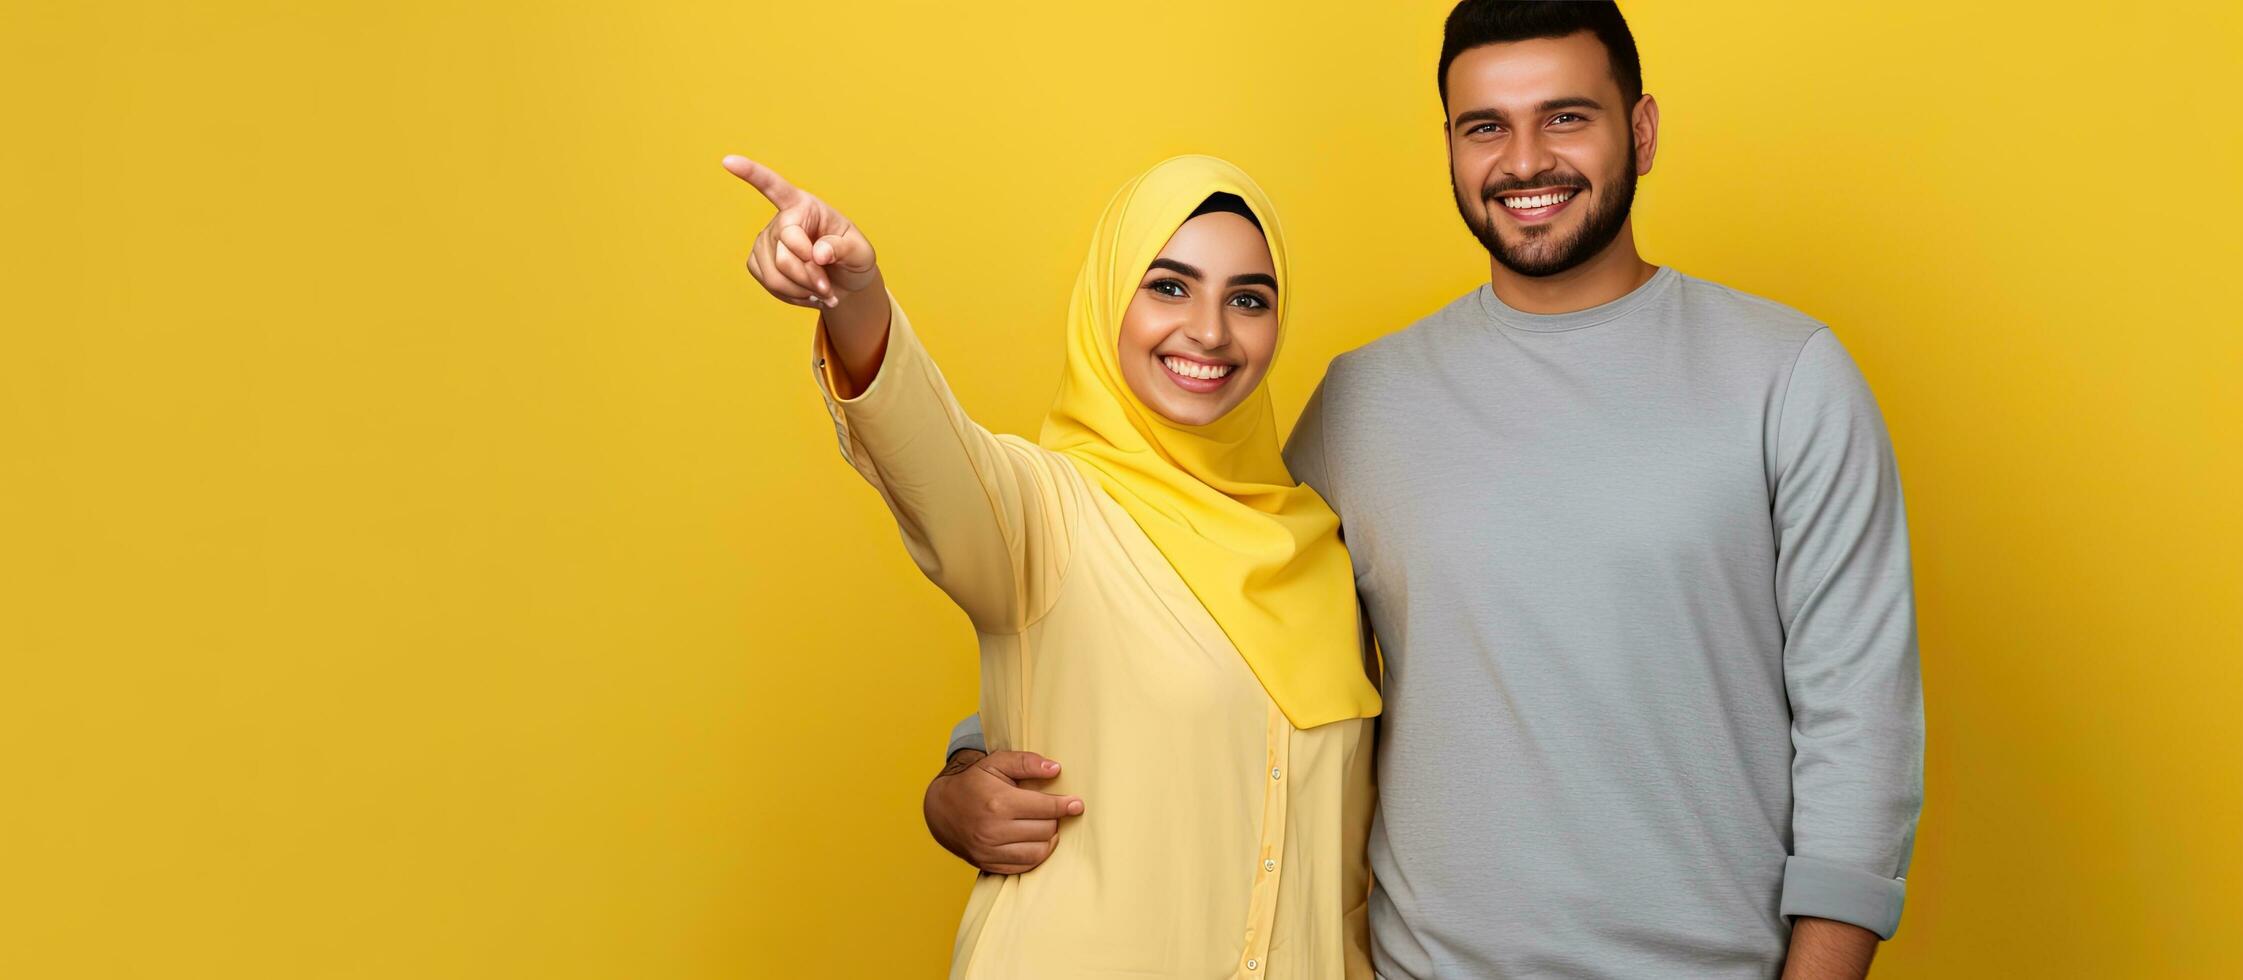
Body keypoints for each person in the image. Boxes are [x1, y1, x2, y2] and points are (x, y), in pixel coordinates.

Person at [924, 4, 1925, 978]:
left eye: (1564, 117)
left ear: (1643, 129)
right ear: (1448, 145)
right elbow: (1192, 596)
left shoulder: (1786, 376)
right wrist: (969, 769)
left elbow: (1859, 727)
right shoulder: (1365, 404)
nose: (1524, 160)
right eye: (1484, 126)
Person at [725, 152, 1382, 978]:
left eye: (1247, 299)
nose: (1210, 331)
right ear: (1109, 297)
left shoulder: (1318, 550)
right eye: (1168, 286)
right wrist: (857, 298)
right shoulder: (1043, 515)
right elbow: (927, 454)